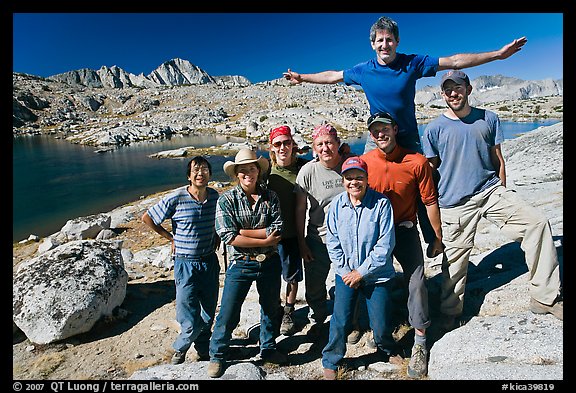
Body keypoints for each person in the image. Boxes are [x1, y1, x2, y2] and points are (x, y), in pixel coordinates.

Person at [284, 15, 527, 246]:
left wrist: (497, 55)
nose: (385, 44)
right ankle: (370, 240)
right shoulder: (363, 70)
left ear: (397, 42)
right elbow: (333, 76)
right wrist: (302, 78)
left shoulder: (412, 63)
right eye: (380, 40)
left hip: (407, 138)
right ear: (372, 44)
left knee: (424, 185)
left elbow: (452, 61)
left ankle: (435, 241)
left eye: (389, 39)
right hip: (377, 138)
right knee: (367, 184)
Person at [421, 70, 563, 330]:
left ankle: (545, 297)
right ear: (442, 94)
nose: (453, 93)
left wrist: (504, 191)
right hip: (454, 202)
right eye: (448, 89)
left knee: (538, 223)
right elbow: (429, 171)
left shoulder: (489, 119)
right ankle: (450, 311)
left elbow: (497, 158)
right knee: (454, 262)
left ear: (469, 89)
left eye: (458, 87)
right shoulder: (433, 129)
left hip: (490, 192)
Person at [361, 112, 444, 378]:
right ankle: (379, 330)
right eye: (375, 131)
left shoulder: (416, 162)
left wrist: (436, 237)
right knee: (373, 280)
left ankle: (420, 340)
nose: (380, 134)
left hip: (405, 229)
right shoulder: (364, 162)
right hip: (375, 233)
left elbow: (429, 201)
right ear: (370, 135)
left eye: (385, 129)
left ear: (395, 129)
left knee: (417, 281)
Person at [207, 148, 287, 378]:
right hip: (241, 262)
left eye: (252, 169)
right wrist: (263, 237)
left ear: (258, 171)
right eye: (243, 170)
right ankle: (218, 355)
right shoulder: (226, 200)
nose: (248, 174)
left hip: (269, 262)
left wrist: (244, 232)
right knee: (229, 310)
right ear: (236, 174)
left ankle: (268, 347)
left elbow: (277, 229)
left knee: (271, 306)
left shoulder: (271, 197)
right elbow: (228, 236)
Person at [321, 156, 397, 380]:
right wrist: (346, 272)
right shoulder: (336, 205)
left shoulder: (381, 204)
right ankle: (331, 359)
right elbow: (332, 241)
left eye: (359, 177)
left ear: (367, 179)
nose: (354, 182)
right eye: (349, 178)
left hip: (376, 275)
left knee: (380, 323)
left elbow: (385, 245)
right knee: (341, 319)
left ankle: (387, 349)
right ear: (343, 181)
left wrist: (361, 272)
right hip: (345, 274)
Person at [141, 156, 220, 365]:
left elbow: (219, 220)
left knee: (208, 310)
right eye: (196, 170)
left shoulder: (214, 196)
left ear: (210, 174)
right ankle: (181, 348)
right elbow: (147, 218)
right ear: (189, 176)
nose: (200, 173)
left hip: (209, 261)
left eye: (204, 169)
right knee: (186, 310)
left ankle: (203, 348)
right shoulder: (176, 198)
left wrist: (218, 236)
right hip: (185, 263)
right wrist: (170, 238)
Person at [294, 123, 346, 337]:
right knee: (315, 285)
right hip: (318, 238)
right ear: (314, 148)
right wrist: (301, 242)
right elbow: (299, 209)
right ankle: (318, 317)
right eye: (320, 144)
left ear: (338, 144)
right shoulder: (308, 172)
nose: (325, 148)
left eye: (330, 143)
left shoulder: (350, 166)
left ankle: (349, 320)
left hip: (348, 241)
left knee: (347, 283)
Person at [266, 125, 309, 336]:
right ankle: (273, 310)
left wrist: (345, 152)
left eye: (287, 142)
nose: (283, 147)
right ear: (271, 147)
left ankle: (288, 312)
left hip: (294, 232)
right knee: (271, 275)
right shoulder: (266, 171)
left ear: (293, 144)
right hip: (271, 236)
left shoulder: (305, 167)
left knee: (292, 276)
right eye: (278, 144)